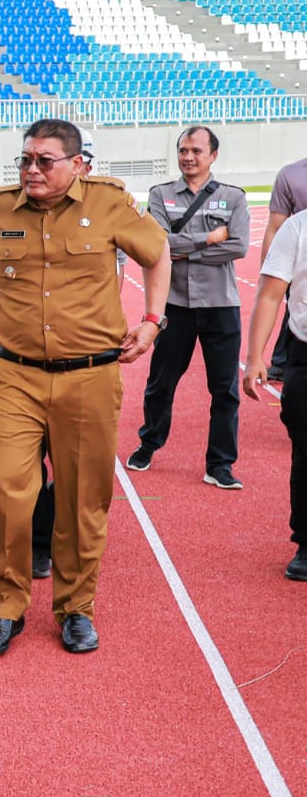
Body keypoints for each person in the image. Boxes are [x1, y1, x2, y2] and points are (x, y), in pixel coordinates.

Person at [0, 118, 169, 658]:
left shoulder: (110, 203)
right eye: (26, 159)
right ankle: (5, 607)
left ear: (77, 165)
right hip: (14, 375)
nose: (32, 169)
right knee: (2, 488)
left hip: (90, 375)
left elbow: (157, 253)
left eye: (44, 161)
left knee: (81, 499)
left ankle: (76, 608)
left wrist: (152, 320)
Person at [125, 127, 250, 489]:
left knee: (225, 390)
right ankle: (149, 443)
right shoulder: (160, 195)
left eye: (196, 150)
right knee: (161, 382)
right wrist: (208, 238)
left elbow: (239, 247)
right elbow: (157, 244)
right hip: (175, 305)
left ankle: (220, 463)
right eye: (183, 150)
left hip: (221, 305)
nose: (189, 157)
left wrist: (182, 249)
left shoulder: (233, 197)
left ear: (213, 156)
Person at [244, 207, 307, 582]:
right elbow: (269, 296)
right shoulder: (298, 228)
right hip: (305, 353)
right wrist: (255, 358)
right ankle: (306, 542)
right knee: (306, 453)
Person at [260, 156, 307, 382]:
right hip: (297, 256)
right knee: (295, 310)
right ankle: (282, 361)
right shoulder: (291, 175)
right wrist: (267, 268)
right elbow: (274, 227)